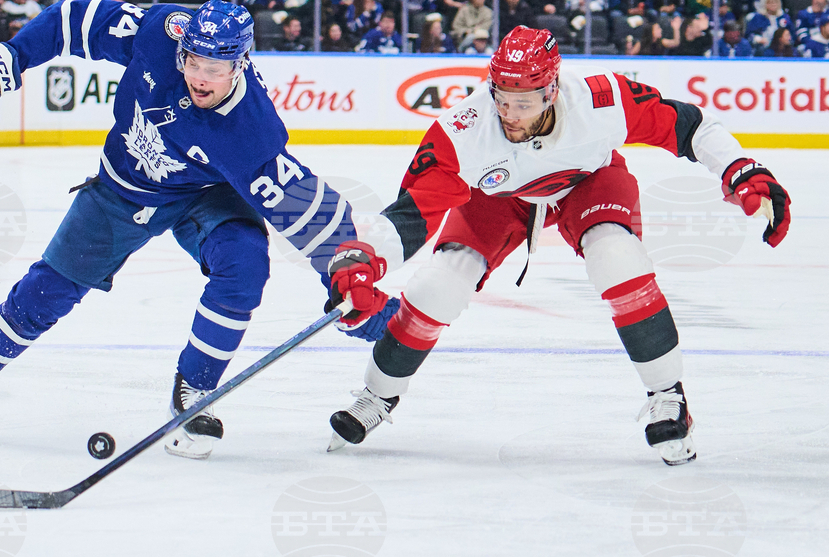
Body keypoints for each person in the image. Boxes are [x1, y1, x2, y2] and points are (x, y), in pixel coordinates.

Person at [0, 0, 366, 460]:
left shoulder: (251, 131)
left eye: (215, 69)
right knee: (45, 292)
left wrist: (348, 271)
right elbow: (73, 21)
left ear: (241, 64)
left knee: (244, 266)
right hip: (124, 188)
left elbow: (310, 211)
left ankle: (196, 388)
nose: (200, 77)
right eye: (194, 61)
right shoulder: (161, 34)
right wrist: (12, 55)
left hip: (206, 193)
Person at [320, 26, 792, 466]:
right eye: (501, 99)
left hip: (589, 182)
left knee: (615, 256)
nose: (509, 115)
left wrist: (742, 170)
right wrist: (364, 257)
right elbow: (411, 212)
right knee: (440, 283)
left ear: (551, 90)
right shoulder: (462, 131)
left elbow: (690, 126)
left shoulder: (601, 101)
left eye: (523, 103)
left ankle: (668, 397)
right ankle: (376, 396)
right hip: (498, 197)